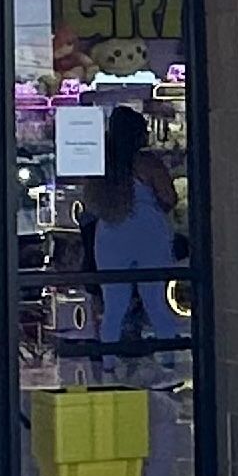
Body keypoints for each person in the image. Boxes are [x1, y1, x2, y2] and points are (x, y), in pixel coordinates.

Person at [78, 106, 185, 357]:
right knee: (156, 302)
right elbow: (168, 197)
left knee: (114, 305)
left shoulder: (100, 165)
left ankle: (109, 361)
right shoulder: (148, 164)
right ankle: (167, 359)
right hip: (150, 234)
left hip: (110, 236)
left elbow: (90, 203)